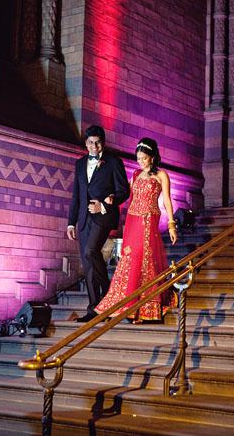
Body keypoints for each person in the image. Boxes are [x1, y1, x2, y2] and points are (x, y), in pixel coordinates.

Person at [94, 137, 178, 322]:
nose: (140, 161)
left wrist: (171, 224)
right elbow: (126, 195)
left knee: (144, 256)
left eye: (144, 158)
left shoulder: (161, 175)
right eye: (138, 158)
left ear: (153, 157)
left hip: (149, 219)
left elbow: (167, 201)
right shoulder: (135, 174)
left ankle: (145, 305)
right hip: (132, 220)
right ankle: (127, 303)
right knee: (130, 258)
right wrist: (112, 199)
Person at [67, 125, 129, 322]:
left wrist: (104, 204)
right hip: (84, 219)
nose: (94, 146)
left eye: (98, 142)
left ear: (103, 143)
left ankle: (109, 290)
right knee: (88, 264)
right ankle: (95, 309)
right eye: (91, 142)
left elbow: (123, 191)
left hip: (103, 216)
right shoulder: (79, 164)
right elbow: (76, 195)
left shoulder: (113, 162)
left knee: (90, 251)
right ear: (86, 143)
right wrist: (71, 222)